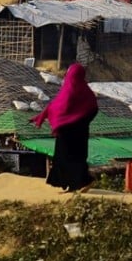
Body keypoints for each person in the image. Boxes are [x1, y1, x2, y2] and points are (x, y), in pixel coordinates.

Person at [31, 63, 98, 193]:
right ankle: (74, 186)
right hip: (79, 132)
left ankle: (79, 183)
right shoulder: (87, 92)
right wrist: (82, 122)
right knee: (76, 158)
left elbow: (56, 107)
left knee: (65, 158)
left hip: (67, 132)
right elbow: (93, 110)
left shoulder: (69, 89)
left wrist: (45, 116)